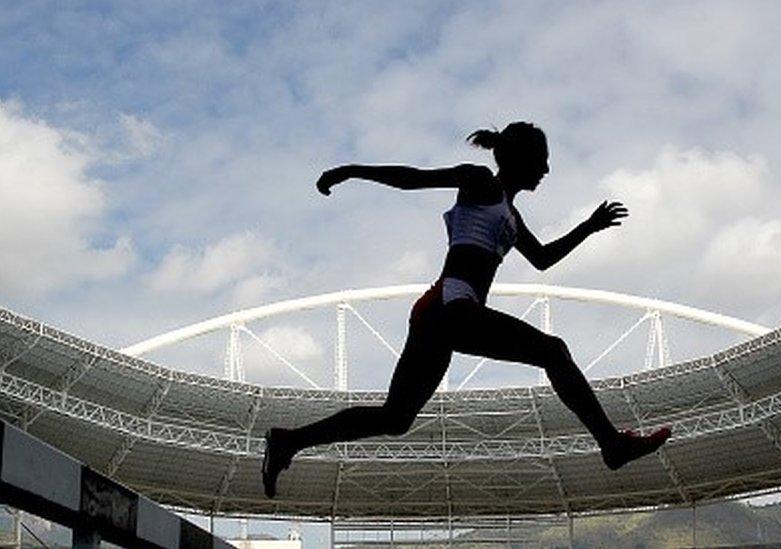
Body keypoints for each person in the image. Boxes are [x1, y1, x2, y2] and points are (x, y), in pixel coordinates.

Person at [262, 122, 671, 498]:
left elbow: (542, 259)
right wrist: (350, 170)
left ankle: (288, 441)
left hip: (438, 315)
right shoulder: (479, 182)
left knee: (395, 417)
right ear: (521, 159)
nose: (547, 168)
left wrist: (589, 226)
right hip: (449, 308)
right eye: (542, 159)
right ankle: (612, 444)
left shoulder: (512, 215)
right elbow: (413, 179)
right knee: (553, 351)